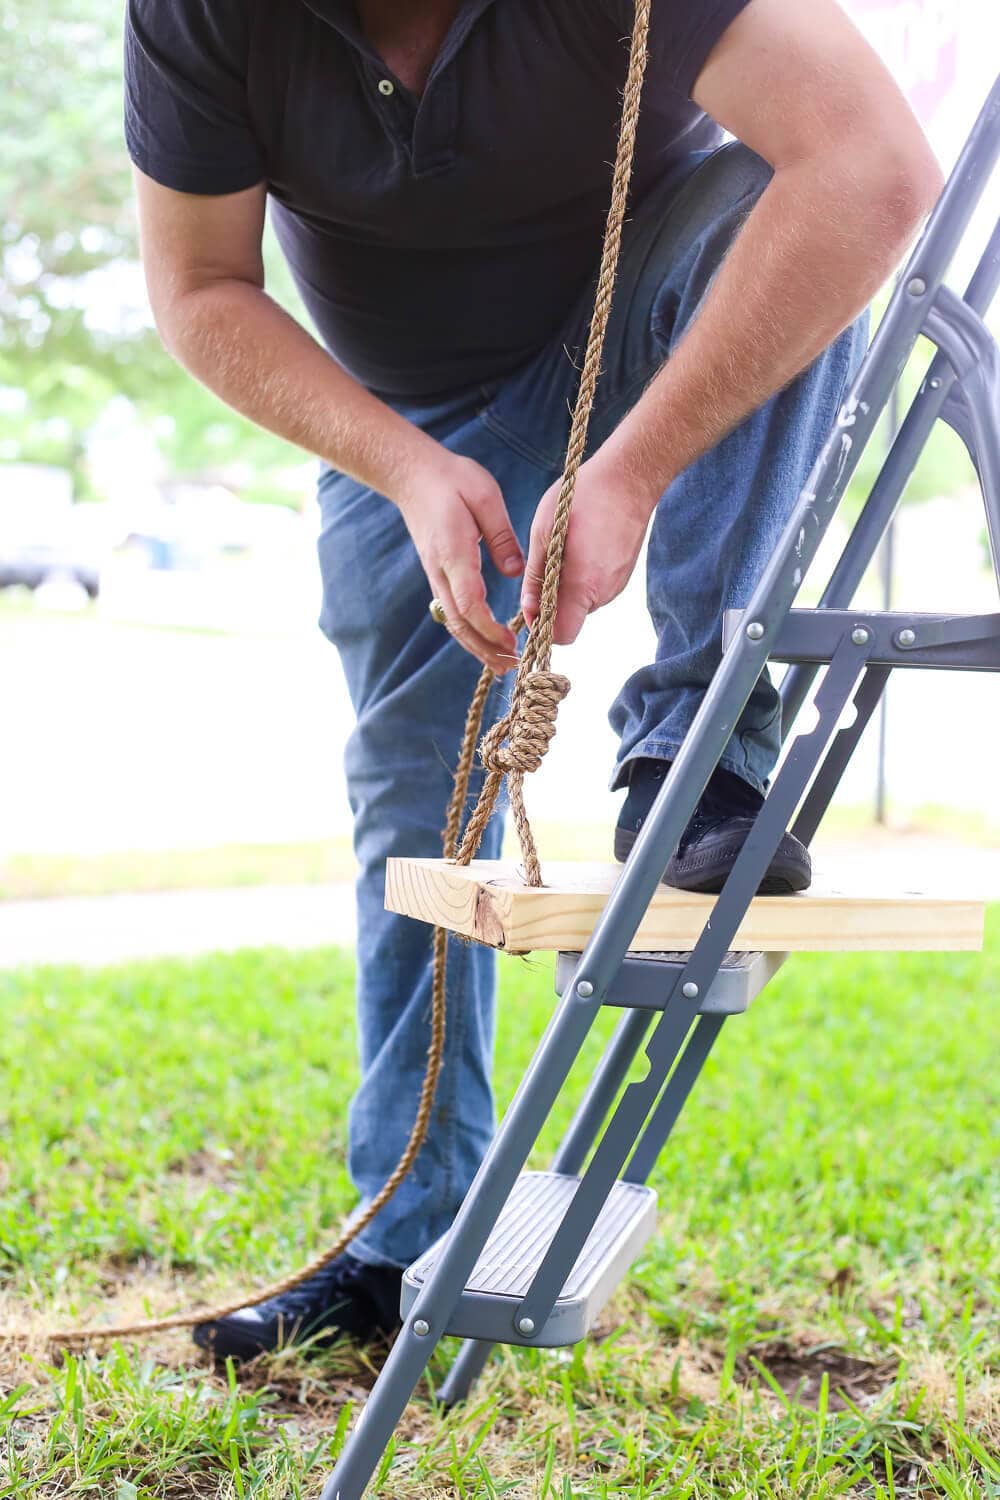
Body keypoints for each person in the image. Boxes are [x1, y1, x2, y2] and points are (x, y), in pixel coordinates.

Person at [124, 0, 940, 1358]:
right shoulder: (199, 13)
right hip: (402, 422)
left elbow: (873, 168)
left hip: (651, 332)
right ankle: (402, 1242)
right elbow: (199, 287)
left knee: (772, 202)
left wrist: (630, 466)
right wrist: (403, 469)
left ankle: (700, 755)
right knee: (409, 819)